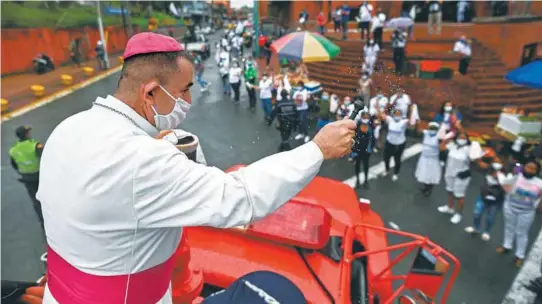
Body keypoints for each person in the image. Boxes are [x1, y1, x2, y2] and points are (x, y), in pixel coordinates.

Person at [36, 32, 357, 303]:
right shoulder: (142, 160)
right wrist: (318, 149)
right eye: (183, 90)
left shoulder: (69, 128)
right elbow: (241, 197)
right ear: (150, 92)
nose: (189, 99)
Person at [496, 159, 542, 267]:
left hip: (526, 212)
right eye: (528, 167)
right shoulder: (516, 176)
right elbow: (505, 187)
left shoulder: (539, 183)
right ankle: (507, 246)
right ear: (523, 167)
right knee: (509, 227)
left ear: (537, 171)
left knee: (521, 233)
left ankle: (519, 256)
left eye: (533, 169)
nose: (530, 170)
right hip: (510, 207)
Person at [438, 130, 483, 224]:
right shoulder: (452, 145)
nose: (462, 139)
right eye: (460, 137)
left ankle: (458, 214)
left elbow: (475, 159)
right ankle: (450, 208)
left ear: (467, 139)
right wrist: (447, 139)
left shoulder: (469, 148)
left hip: (461, 175)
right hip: (449, 172)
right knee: (449, 190)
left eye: (464, 138)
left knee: (459, 196)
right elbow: (442, 148)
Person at [9, 125, 45, 232]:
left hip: (27, 178)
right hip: (40, 175)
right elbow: (45, 157)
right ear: (26, 134)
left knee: (36, 200)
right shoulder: (34, 145)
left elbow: (14, 165)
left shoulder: (13, 150)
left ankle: (43, 222)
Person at [465, 161, 506, 241]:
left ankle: (486, 232)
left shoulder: (504, 179)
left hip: (495, 202)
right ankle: (476, 228)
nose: (495, 173)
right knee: (477, 213)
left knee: (490, 218)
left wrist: (501, 180)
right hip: (483, 198)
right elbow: (481, 165)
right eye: (494, 171)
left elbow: (507, 189)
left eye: (498, 171)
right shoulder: (487, 175)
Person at [378, 108, 409, 181]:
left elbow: (411, 122)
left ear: (401, 115)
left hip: (400, 144)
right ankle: (387, 170)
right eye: (396, 114)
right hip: (389, 143)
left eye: (399, 114)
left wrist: (412, 111)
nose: (397, 115)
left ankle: (396, 173)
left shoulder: (404, 122)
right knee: (386, 158)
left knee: (397, 160)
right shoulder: (390, 120)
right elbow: (381, 114)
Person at [415, 122, 442, 196]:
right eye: (431, 128)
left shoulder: (438, 137)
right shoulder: (426, 133)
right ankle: (425, 187)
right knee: (424, 173)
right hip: (424, 158)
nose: (432, 130)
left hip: (433, 159)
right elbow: (419, 130)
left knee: (431, 175)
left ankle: (429, 189)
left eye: (434, 129)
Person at [352, 111, 375, 189]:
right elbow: (353, 138)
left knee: (366, 165)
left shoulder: (371, 126)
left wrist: (370, 148)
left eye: (367, 118)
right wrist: (353, 151)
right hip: (358, 149)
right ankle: (357, 180)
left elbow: (373, 139)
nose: (365, 119)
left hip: (366, 150)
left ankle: (366, 180)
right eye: (364, 117)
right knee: (357, 165)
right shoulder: (357, 125)